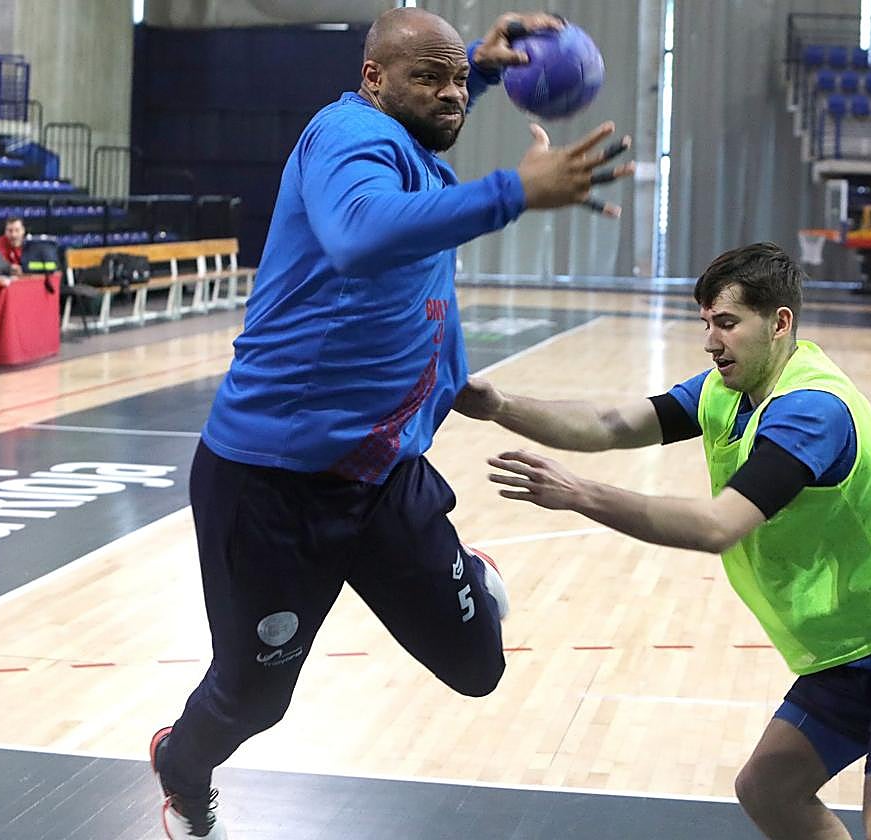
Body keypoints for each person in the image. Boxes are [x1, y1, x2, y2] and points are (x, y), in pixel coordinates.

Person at [148, 7, 633, 838]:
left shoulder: (406, 139)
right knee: (254, 699)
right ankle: (180, 769)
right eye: (430, 78)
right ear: (372, 79)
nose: (451, 96)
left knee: (479, 669)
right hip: (270, 488)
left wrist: (473, 68)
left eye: (458, 83)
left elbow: (418, 244)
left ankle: (458, 565)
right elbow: (358, 237)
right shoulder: (347, 138)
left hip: (385, 481)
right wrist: (516, 192)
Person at [463, 242, 871, 840]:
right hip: (855, 641)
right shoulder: (726, 390)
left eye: (726, 323)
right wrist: (499, 406)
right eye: (705, 323)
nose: (710, 341)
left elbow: (718, 526)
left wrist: (580, 494)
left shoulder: (811, 410)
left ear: (779, 323)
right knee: (768, 790)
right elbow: (611, 425)